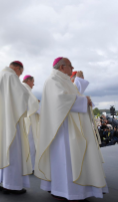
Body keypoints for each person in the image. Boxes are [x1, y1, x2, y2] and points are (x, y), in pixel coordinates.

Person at [35, 57, 108, 201]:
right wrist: (83, 100)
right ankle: (65, 191)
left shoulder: (62, 79)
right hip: (63, 129)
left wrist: (82, 96)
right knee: (66, 160)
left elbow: (73, 95)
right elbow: (60, 100)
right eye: (70, 66)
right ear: (62, 67)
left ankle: (74, 191)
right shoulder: (53, 80)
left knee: (71, 159)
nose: (72, 68)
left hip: (68, 126)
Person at [0, 61, 32, 194]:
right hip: (10, 120)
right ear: (17, 68)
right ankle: (10, 185)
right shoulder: (11, 76)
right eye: (20, 73)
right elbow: (22, 96)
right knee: (12, 150)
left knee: (0, 149)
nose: (19, 76)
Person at [22, 75, 39, 171]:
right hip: (28, 121)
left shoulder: (23, 88)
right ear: (28, 81)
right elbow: (32, 105)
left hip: (25, 120)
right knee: (30, 145)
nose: (33, 84)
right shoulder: (25, 88)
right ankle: (31, 167)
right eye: (33, 81)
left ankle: (29, 166)